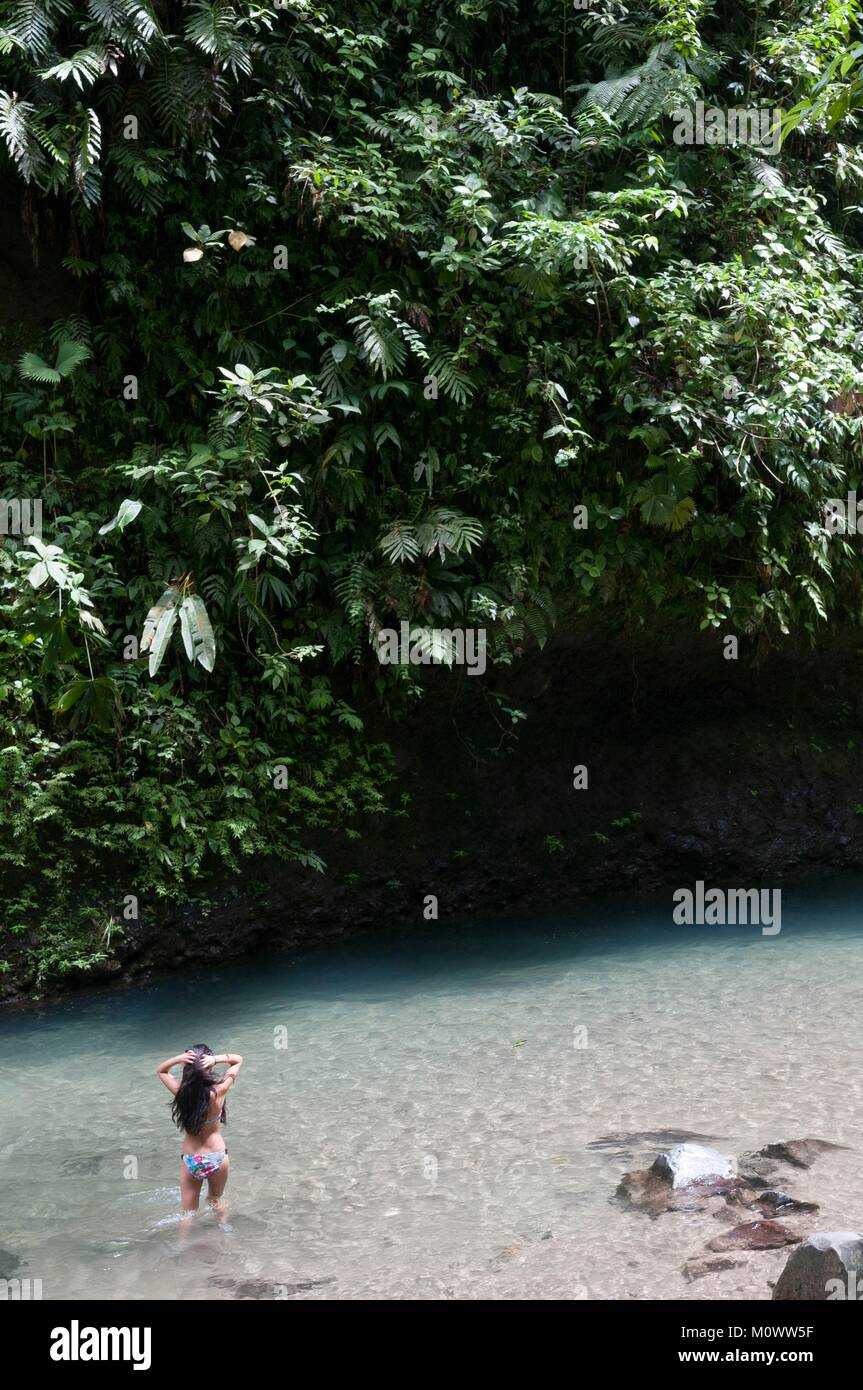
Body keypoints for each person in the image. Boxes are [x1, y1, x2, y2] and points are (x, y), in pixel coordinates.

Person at [155, 1043, 243, 1230]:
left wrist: (178, 1059)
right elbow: (238, 1060)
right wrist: (216, 1059)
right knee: (215, 1199)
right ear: (208, 1067)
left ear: (187, 1068)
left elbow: (161, 1071)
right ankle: (224, 1233)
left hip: (191, 1160)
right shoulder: (219, 1090)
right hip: (217, 1157)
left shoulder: (181, 1093)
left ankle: (181, 1249)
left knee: (189, 1213)